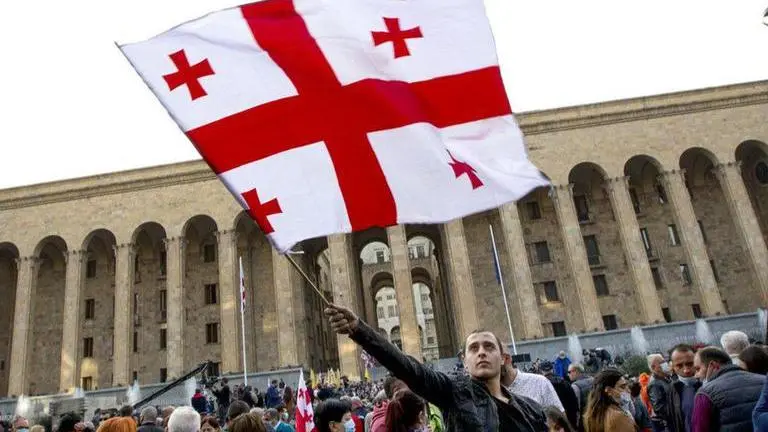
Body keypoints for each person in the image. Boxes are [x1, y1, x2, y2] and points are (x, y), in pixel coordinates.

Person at [326, 303, 547, 431]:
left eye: (489, 346)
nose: (481, 352)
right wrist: (359, 330)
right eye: (474, 348)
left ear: (503, 358)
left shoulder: (531, 409)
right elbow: (408, 368)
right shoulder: (454, 392)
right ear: (464, 361)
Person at [691, 346, 765, 431]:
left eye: (698, 369)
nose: (696, 375)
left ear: (713, 365)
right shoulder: (764, 380)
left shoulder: (705, 393)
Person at [669, 344, 701, 432]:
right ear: (673, 367)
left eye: (690, 364)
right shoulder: (672, 389)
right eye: (679, 366)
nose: (686, 370)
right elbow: (671, 420)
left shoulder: (709, 384)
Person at [540, 361, 579, 429]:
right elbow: (574, 404)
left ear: (541, 371)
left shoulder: (539, 386)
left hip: (550, 423)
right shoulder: (564, 383)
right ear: (552, 369)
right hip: (567, 420)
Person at [647, 353, 679, 432]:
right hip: (669, 425)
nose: (665, 364)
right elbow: (659, 408)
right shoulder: (654, 384)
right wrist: (678, 408)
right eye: (661, 362)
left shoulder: (666, 378)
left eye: (664, 361)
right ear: (653, 367)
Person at [568, 364, 593, 432]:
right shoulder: (593, 379)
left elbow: (576, 408)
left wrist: (575, 425)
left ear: (575, 371)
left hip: (583, 421)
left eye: (569, 372)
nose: (568, 374)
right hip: (594, 416)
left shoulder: (575, 386)